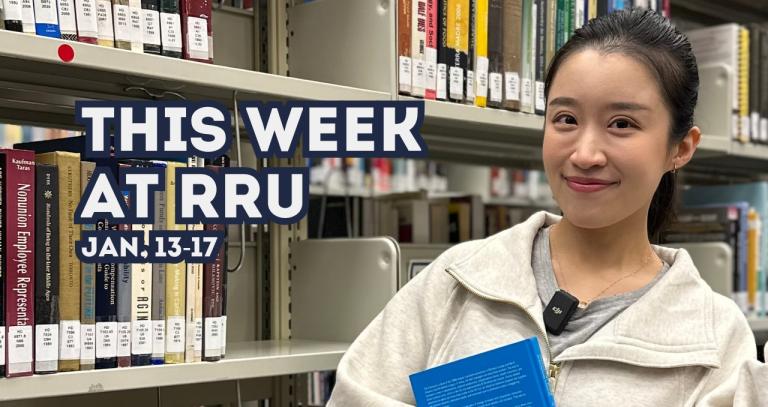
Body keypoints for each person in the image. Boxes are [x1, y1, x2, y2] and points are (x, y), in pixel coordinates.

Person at [327, 9, 762, 406]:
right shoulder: (456, 280)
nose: (585, 153)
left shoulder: (715, 339)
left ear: (680, 148)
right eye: (566, 120)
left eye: (622, 125)